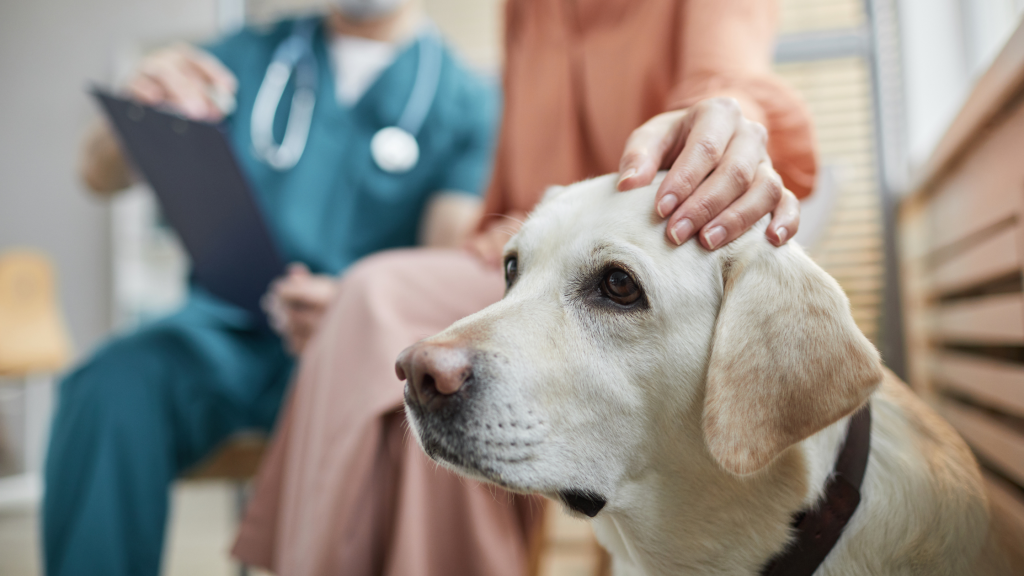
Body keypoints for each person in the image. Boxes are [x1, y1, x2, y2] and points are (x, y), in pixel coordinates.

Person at [231, 0, 817, 575]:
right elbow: (505, 210)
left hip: (649, 271)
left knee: (378, 301)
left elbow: (728, 81)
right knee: (380, 315)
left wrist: (723, 122)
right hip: (523, 259)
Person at [44, 1, 499, 575]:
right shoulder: (246, 57)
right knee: (107, 385)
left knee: (403, 431)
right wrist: (135, 109)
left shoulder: (469, 100)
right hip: (221, 334)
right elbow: (96, 174)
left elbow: (440, 253)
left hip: (353, 349)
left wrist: (354, 306)